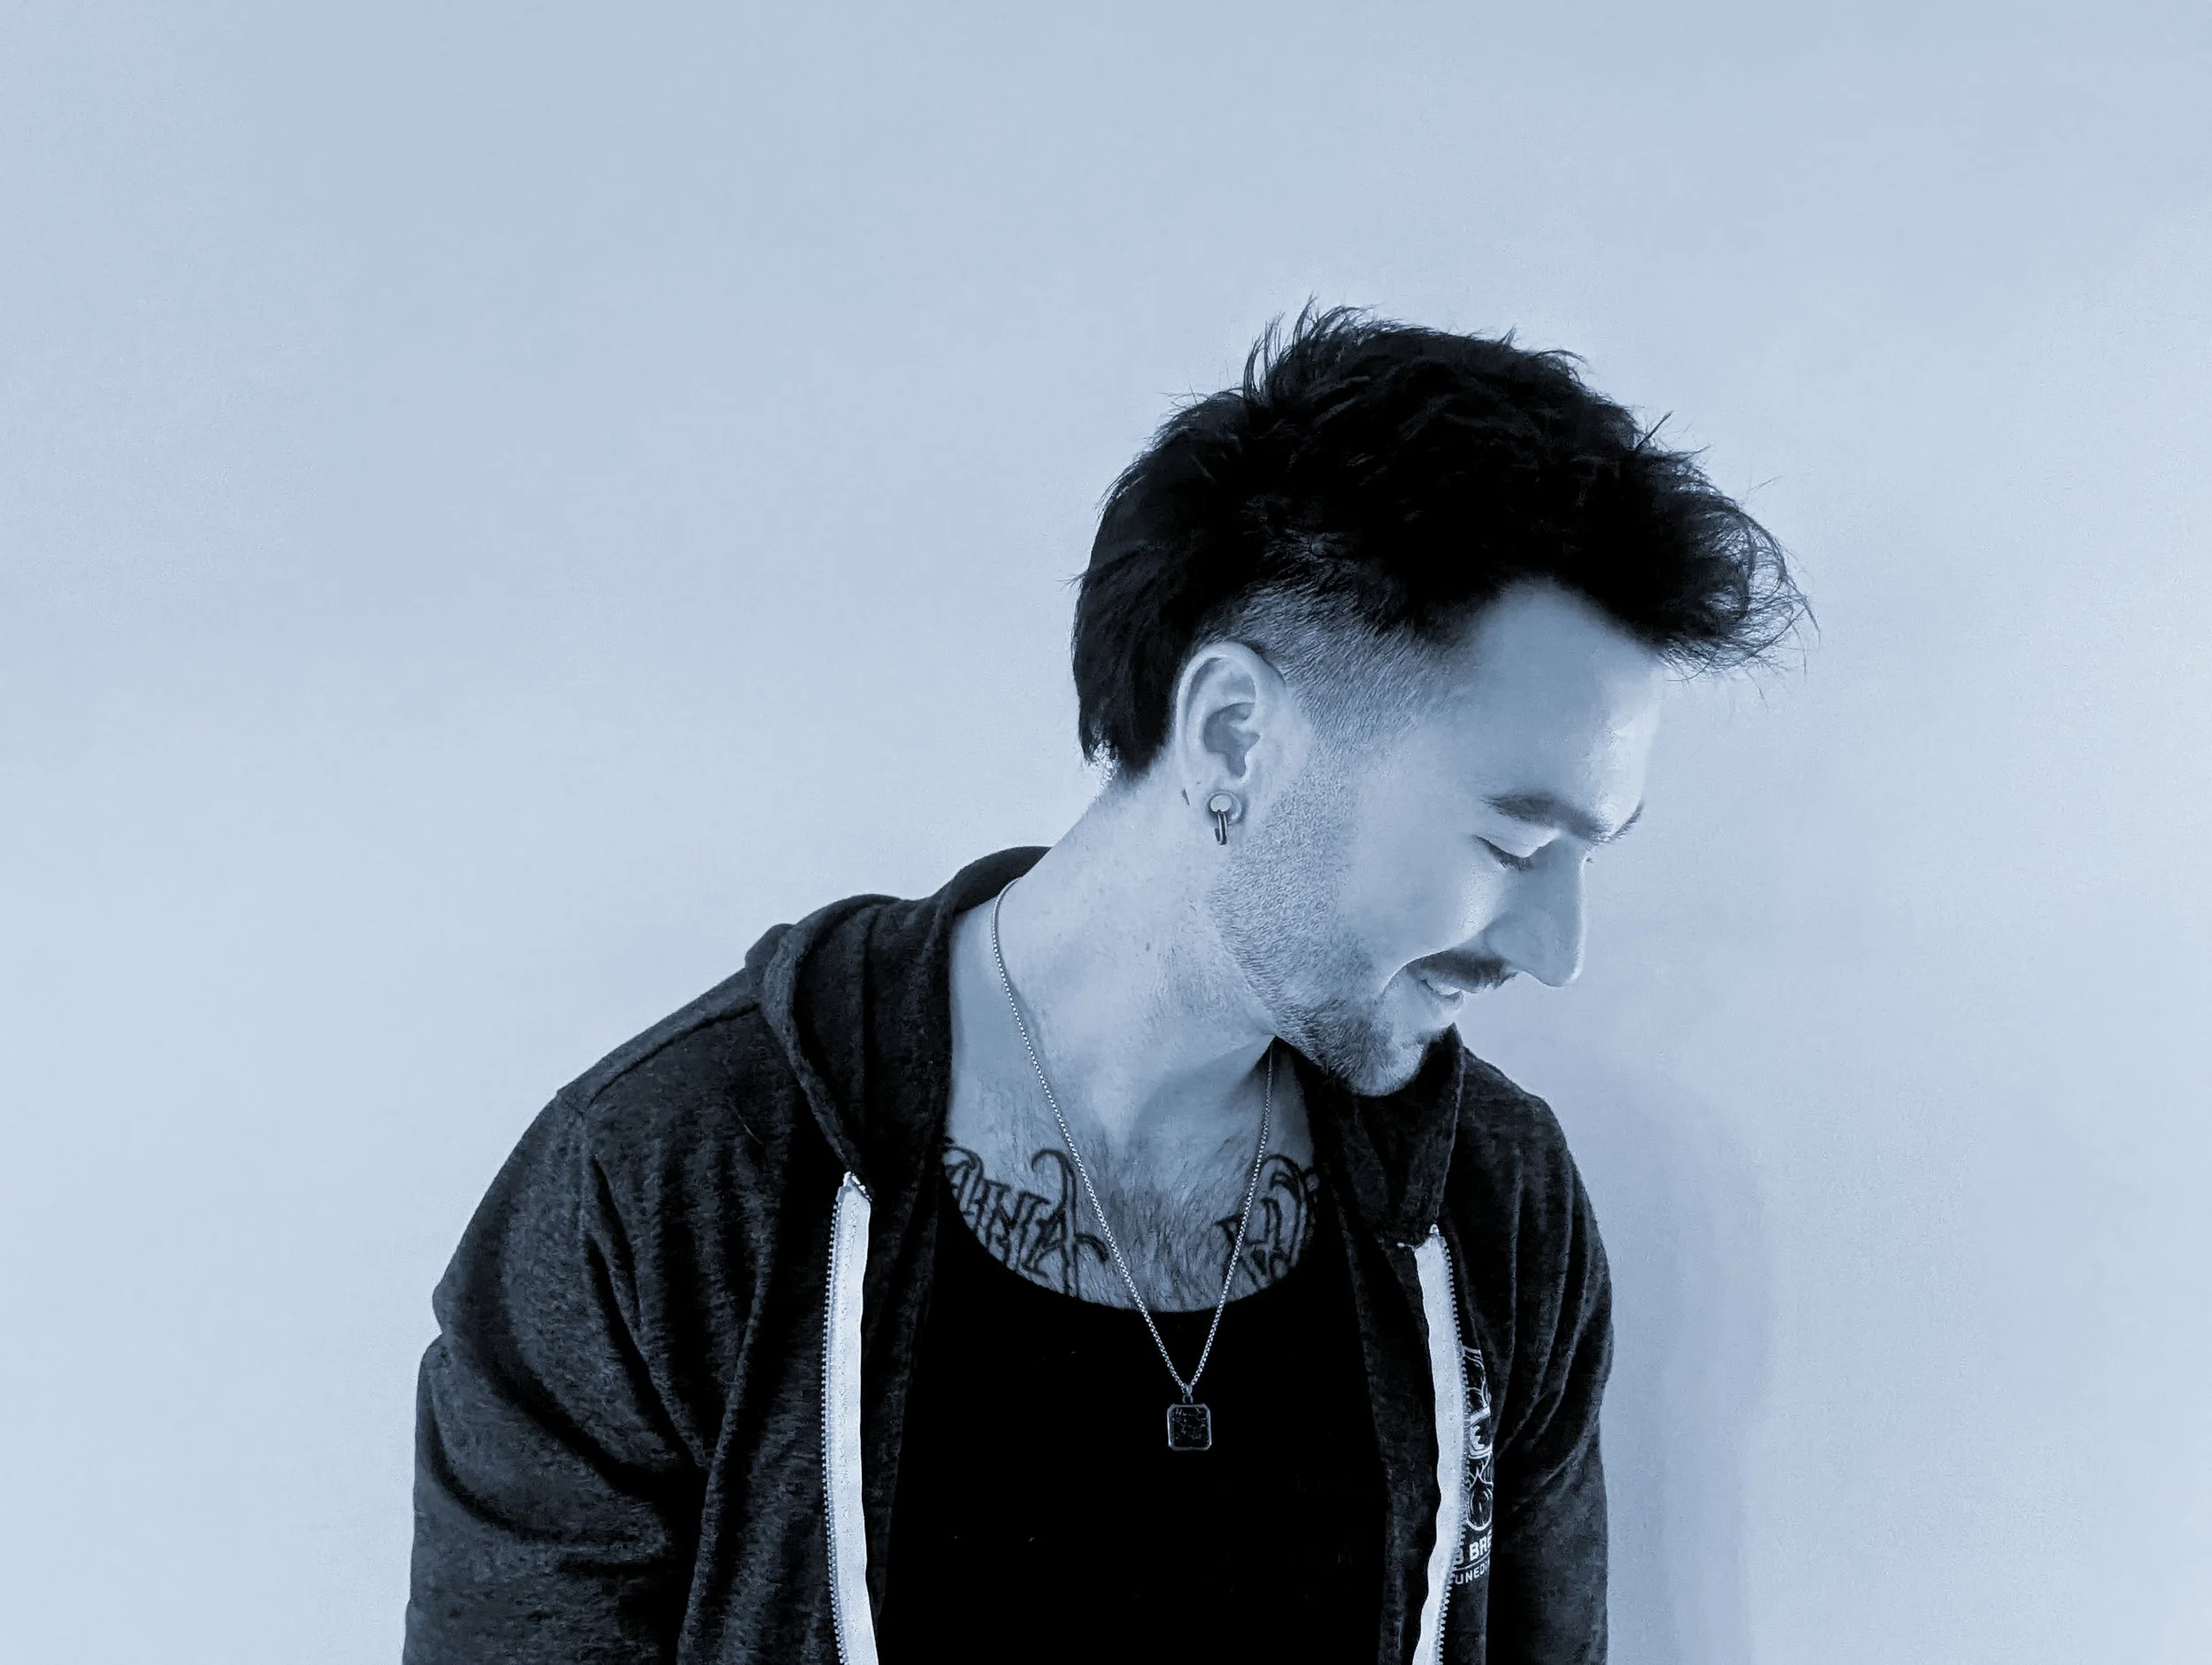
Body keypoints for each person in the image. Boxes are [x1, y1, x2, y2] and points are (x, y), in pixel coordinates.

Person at [404, 308, 1803, 1665]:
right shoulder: (665, 1190)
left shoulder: (1497, 1207)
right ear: (1236, 733)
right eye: (1513, 843)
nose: (1556, 948)